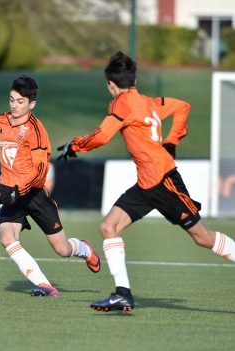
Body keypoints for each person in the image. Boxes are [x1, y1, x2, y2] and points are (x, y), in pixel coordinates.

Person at [57, 51, 235, 312]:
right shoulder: (148, 102)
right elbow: (181, 107)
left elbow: (103, 136)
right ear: (134, 80)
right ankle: (123, 294)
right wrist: (172, 141)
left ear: (110, 84)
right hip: (146, 185)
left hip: (164, 182)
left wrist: (76, 146)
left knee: (203, 237)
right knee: (109, 227)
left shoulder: (121, 103)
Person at [0, 75, 101, 297]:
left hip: (34, 194)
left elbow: (41, 170)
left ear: (32, 104)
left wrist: (21, 190)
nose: (14, 106)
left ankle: (83, 248)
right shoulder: (2, 121)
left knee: (62, 249)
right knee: (7, 238)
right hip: (10, 194)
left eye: (20, 101)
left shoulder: (36, 130)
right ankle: (44, 285)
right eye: (12, 100)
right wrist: (8, 188)